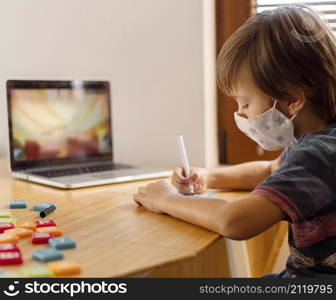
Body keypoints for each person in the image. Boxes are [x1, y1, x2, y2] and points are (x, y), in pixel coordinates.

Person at [133, 4, 336, 278]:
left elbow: (235, 221)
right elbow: (268, 171)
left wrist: (165, 199)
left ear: (292, 100)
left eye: (245, 103)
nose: (240, 114)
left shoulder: (318, 156)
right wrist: (208, 177)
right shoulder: (314, 142)